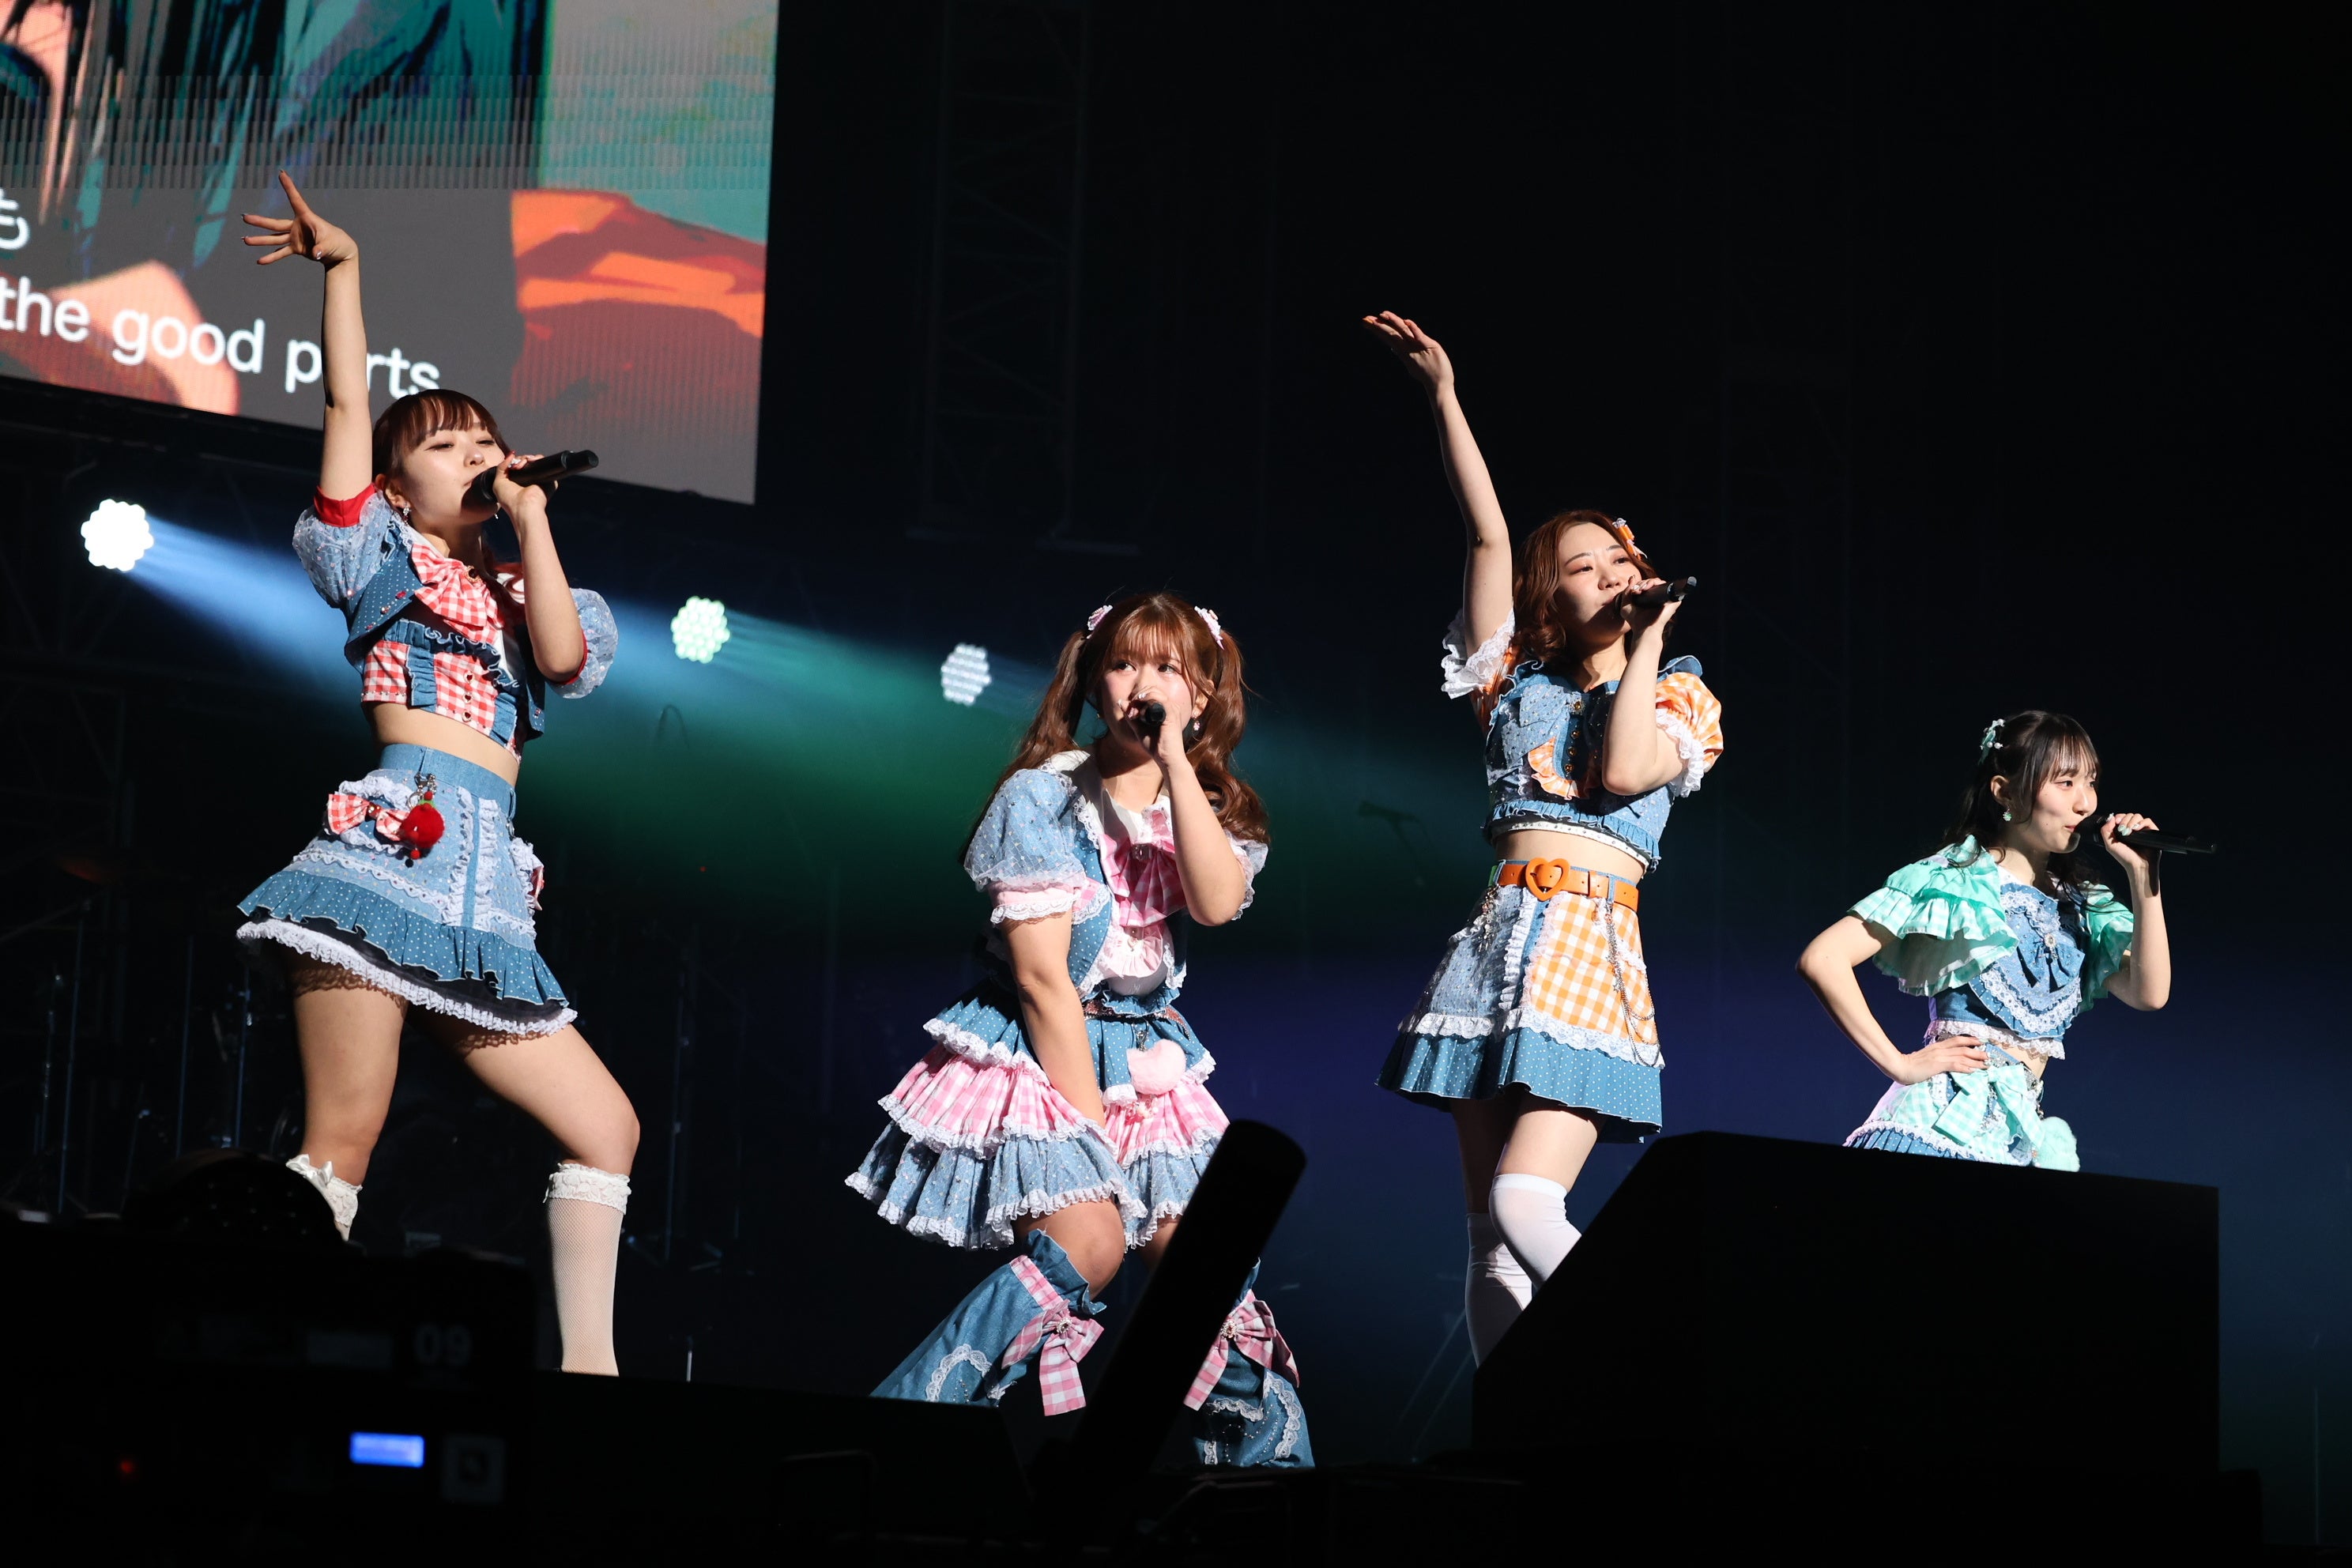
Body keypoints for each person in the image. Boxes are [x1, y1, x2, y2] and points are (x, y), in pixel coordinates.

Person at [232, 174, 636, 1373]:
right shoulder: (376, 557)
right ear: (400, 486)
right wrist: (345, 270)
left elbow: (560, 659)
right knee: (343, 1141)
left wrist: (534, 520)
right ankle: (261, 1350)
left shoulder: (534, 586)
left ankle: (593, 1377)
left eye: (485, 441)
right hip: (382, 864)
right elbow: (347, 399)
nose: (478, 455)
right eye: (448, 445)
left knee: (607, 1128)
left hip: (486, 895)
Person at [849, 593, 1310, 1467]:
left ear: (1201, 695)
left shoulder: (1205, 805)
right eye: (1125, 663)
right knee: (1088, 1247)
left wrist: (1175, 763)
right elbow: (1041, 979)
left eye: (1169, 667)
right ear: (1095, 683)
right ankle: (895, 1445)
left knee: (1209, 1266)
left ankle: (1269, 1482)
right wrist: (1089, 1128)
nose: (1144, 683)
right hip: (1046, 1044)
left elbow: (1216, 903)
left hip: (1147, 1055)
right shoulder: (1043, 796)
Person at [1363, 312, 1724, 1363]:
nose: (1608, 571)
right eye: (1582, 563)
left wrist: (1646, 644)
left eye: (1620, 558)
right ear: (1549, 594)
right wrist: (1445, 396)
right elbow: (1486, 536)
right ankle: (1512, 1427)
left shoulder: (1684, 696)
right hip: (1496, 948)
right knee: (1488, 1243)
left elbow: (1623, 772)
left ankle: (1659, 1364)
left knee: (1528, 1201)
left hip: (1588, 950)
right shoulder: (1512, 684)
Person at [1797, 710, 2170, 1168]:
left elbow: (2149, 993)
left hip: (2015, 1140)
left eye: (2090, 782)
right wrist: (1901, 1064)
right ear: (2004, 791)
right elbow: (1823, 958)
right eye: (2065, 782)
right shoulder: (1957, 878)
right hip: (1940, 1128)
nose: (2086, 803)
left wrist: (2143, 877)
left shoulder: (2080, 904)